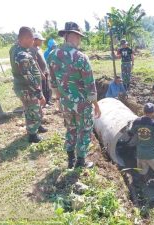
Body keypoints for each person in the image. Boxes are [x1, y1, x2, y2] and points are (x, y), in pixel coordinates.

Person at [48, 22, 101, 169]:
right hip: (82, 104)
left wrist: (59, 99)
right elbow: (90, 86)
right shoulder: (81, 57)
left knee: (70, 129)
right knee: (84, 130)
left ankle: (70, 160)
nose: (79, 40)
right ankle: (80, 161)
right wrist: (96, 105)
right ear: (74, 36)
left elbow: (53, 82)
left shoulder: (52, 55)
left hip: (65, 102)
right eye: (79, 37)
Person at [9, 27, 47, 143]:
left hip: (26, 87)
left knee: (33, 108)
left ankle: (37, 126)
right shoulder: (21, 54)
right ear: (25, 38)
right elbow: (28, 77)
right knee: (32, 110)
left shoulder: (17, 48)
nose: (33, 41)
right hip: (27, 88)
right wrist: (39, 94)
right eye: (32, 38)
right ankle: (32, 135)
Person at [31, 33, 52, 106]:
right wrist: (41, 73)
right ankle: (43, 103)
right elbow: (35, 62)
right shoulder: (32, 49)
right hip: (40, 72)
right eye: (40, 40)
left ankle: (48, 101)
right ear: (35, 40)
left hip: (45, 71)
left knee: (47, 87)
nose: (42, 42)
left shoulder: (38, 48)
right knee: (42, 87)